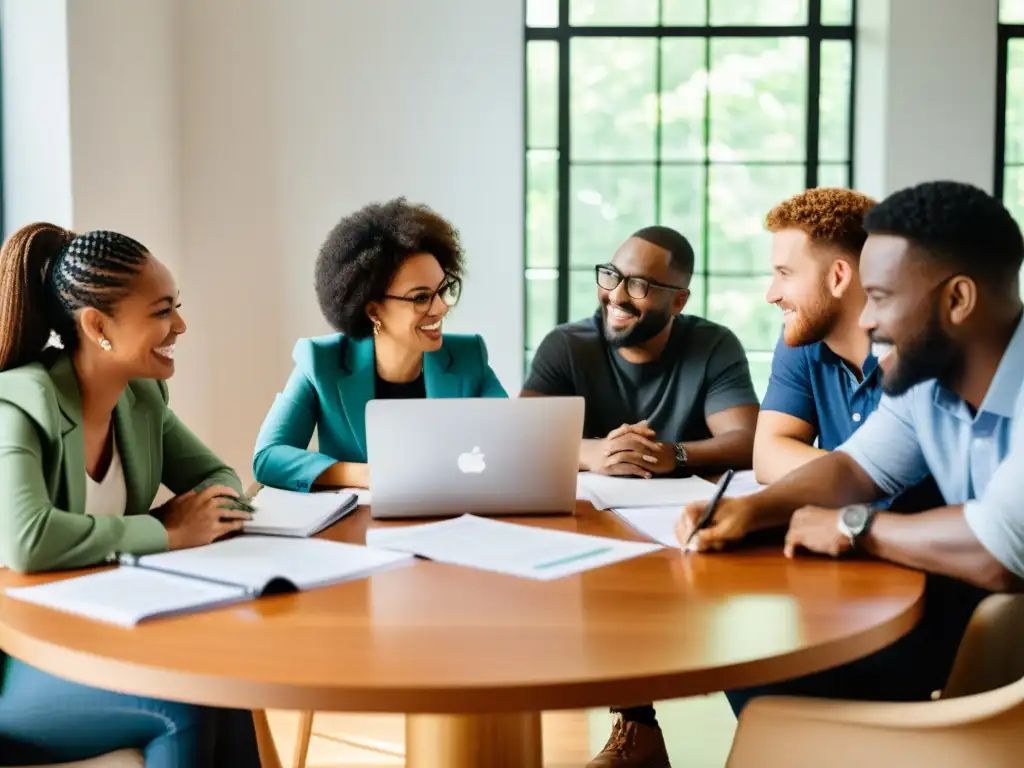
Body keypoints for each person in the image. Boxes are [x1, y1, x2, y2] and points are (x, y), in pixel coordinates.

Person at [677, 180, 1024, 715]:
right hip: (977, 623)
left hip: (1004, 661)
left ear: (958, 299)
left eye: (881, 298)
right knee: (759, 663)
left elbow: (999, 553)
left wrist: (853, 526)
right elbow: (854, 467)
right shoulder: (926, 378)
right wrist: (748, 510)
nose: (865, 319)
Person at [0, 223, 261, 767]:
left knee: (228, 682)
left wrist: (212, 508)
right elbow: (28, 541)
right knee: (183, 703)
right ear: (98, 326)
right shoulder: (18, 406)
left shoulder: (140, 397)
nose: (181, 325)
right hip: (20, 657)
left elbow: (217, 476)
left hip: (106, 630)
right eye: (162, 311)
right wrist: (165, 531)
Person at [522, 225, 760, 768]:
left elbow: (746, 441)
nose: (615, 295)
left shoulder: (711, 343)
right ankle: (637, 728)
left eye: (638, 285)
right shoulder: (568, 344)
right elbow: (524, 433)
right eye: (612, 276)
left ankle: (773, 730)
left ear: (679, 299)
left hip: (684, 529)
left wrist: (671, 455)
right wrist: (592, 454)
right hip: (590, 534)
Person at [253, 198, 507, 492]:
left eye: (443, 291)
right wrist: (365, 475)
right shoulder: (322, 362)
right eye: (421, 297)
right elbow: (268, 456)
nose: (441, 308)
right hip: (358, 528)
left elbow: (513, 440)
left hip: (451, 517)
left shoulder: (468, 356)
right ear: (373, 310)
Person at [756, 187, 942, 508]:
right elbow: (767, 455)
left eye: (785, 274)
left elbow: (919, 494)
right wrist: (855, 478)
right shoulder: (802, 338)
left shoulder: (924, 354)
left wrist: (844, 480)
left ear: (838, 276)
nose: (771, 294)